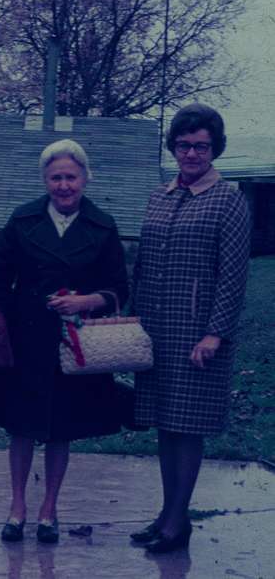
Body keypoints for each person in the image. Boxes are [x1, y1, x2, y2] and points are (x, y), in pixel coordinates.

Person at [0, 139, 128, 545]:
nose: (64, 185)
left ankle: (49, 510)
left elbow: (118, 288)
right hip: (26, 341)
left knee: (61, 429)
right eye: (56, 177)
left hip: (74, 343)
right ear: (45, 180)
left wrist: (88, 301)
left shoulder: (103, 225)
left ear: (85, 179)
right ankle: (17, 508)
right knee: (21, 428)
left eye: (71, 177)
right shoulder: (22, 219)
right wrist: (9, 324)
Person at [130, 104, 250, 554]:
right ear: (174, 147)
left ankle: (177, 524)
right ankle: (167, 513)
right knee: (165, 424)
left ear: (214, 148)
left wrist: (215, 332)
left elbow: (234, 274)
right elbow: (141, 263)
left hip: (198, 335)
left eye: (201, 146)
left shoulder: (229, 199)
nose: (192, 153)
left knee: (187, 427)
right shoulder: (160, 195)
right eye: (184, 145)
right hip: (157, 330)